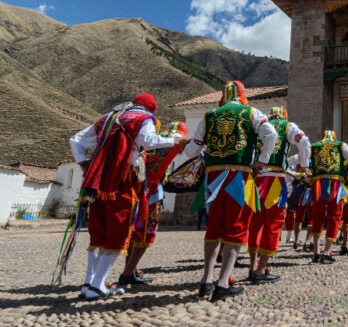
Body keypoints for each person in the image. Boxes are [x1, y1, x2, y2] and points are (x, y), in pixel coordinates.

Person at [70, 93, 188, 300]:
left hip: (97, 181)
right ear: (151, 110)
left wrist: (84, 164)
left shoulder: (107, 118)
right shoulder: (143, 119)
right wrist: (175, 140)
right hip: (123, 179)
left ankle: (89, 283)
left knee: (99, 231)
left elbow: (76, 140)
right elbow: (149, 141)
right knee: (119, 228)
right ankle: (98, 285)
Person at [183, 80, 277, 302]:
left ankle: (206, 280)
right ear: (243, 95)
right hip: (239, 177)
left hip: (213, 179)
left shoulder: (209, 115)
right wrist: (262, 161)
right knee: (236, 227)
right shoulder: (250, 112)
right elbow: (271, 134)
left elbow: (190, 151)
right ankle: (223, 282)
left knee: (214, 227)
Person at [119, 120, 189, 286]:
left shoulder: (155, 139)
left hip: (136, 187)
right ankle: (128, 273)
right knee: (145, 233)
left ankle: (130, 269)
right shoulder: (175, 141)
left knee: (134, 232)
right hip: (151, 192)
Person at [247, 106, 310, 284]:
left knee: (255, 223)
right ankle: (261, 270)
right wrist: (304, 164)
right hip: (274, 179)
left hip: (256, 178)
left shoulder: (259, 126)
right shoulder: (288, 126)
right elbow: (303, 141)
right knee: (273, 224)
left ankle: (252, 266)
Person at [308, 130, 348, 263]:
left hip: (318, 184)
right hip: (335, 184)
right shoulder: (340, 145)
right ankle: (326, 251)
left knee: (317, 215)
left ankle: (316, 251)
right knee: (334, 216)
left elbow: (300, 159)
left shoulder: (314, 146)